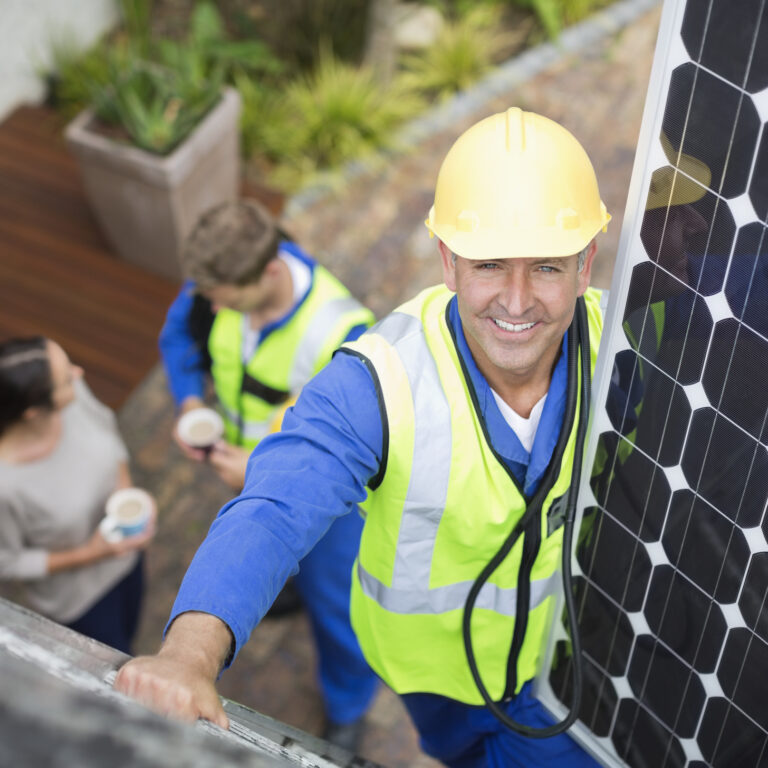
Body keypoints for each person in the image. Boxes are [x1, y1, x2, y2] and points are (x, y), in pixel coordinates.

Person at [116, 108, 610, 767]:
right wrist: (187, 655)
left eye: (547, 267)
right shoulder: (377, 381)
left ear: (586, 264)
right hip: (435, 675)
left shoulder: (627, 348)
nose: (516, 302)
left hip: (563, 663)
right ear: (448, 263)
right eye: (489, 264)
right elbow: (274, 509)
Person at [157, 199, 379, 749]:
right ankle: (287, 586)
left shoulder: (344, 332)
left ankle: (348, 706)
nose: (210, 304)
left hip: (329, 508)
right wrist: (188, 402)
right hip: (247, 471)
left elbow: (351, 448)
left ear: (271, 271)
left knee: (341, 610)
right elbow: (179, 336)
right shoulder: (221, 280)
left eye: (222, 298)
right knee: (273, 561)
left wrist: (257, 472)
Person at [0, 337, 156, 654]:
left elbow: (106, 427)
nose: (79, 372)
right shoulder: (6, 484)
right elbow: (8, 563)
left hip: (126, 559)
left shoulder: (72, 397)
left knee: (132, 628)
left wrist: (126, 493)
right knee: (115, 663)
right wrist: (93, 552)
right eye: (67, 378)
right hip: (80, 601)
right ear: (33, 412)